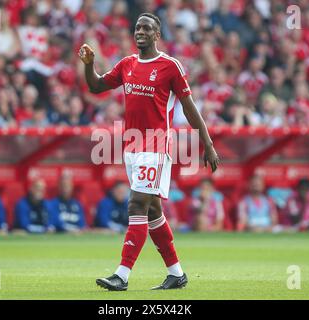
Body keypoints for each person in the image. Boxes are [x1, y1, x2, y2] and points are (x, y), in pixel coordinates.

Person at [79, 13, 220, 291]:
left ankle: (121, 275)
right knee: (153, 211)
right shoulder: (127, 64)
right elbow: (96, 86)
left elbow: (189, 107)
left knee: (136, 205)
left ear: (157, 35)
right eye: (137, 27)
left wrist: (207, 142)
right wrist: (89, 64)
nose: (140, 31)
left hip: (156, 146)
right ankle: (177, 274)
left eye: (147, 28)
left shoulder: (170, 66)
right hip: (132, 148)